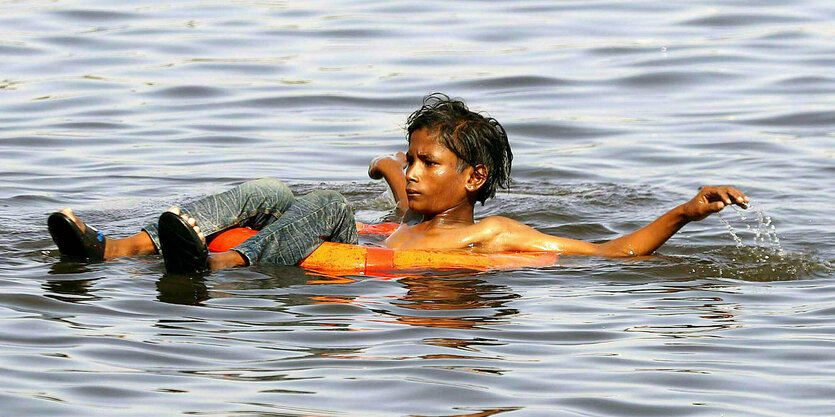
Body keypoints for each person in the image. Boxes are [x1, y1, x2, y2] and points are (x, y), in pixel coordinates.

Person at [48, 93, 749, 274]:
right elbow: (395, 191)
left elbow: (608, 255)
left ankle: (223, 262)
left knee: (319, 203)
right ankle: (117, 247)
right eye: (407, 159)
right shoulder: (409, 209)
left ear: (473, 177)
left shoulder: (491, 232)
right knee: (265, 187)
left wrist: (684, 212)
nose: (411, 171)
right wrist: (389, 172)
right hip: (367, 246)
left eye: (426, 163)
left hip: (352, 271)